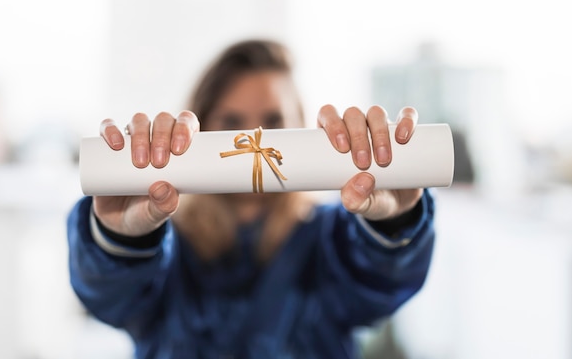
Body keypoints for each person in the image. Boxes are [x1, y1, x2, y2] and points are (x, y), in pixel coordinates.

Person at [67, 39, 436, 359]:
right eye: (231, 122)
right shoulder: (164, 235)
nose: (254, 139)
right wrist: (120, 239)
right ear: (199, 127)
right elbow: (111, 299)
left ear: (301, 125)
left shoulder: (331, 237)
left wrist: (396, 221)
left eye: (274, 121)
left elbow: (379, 283)